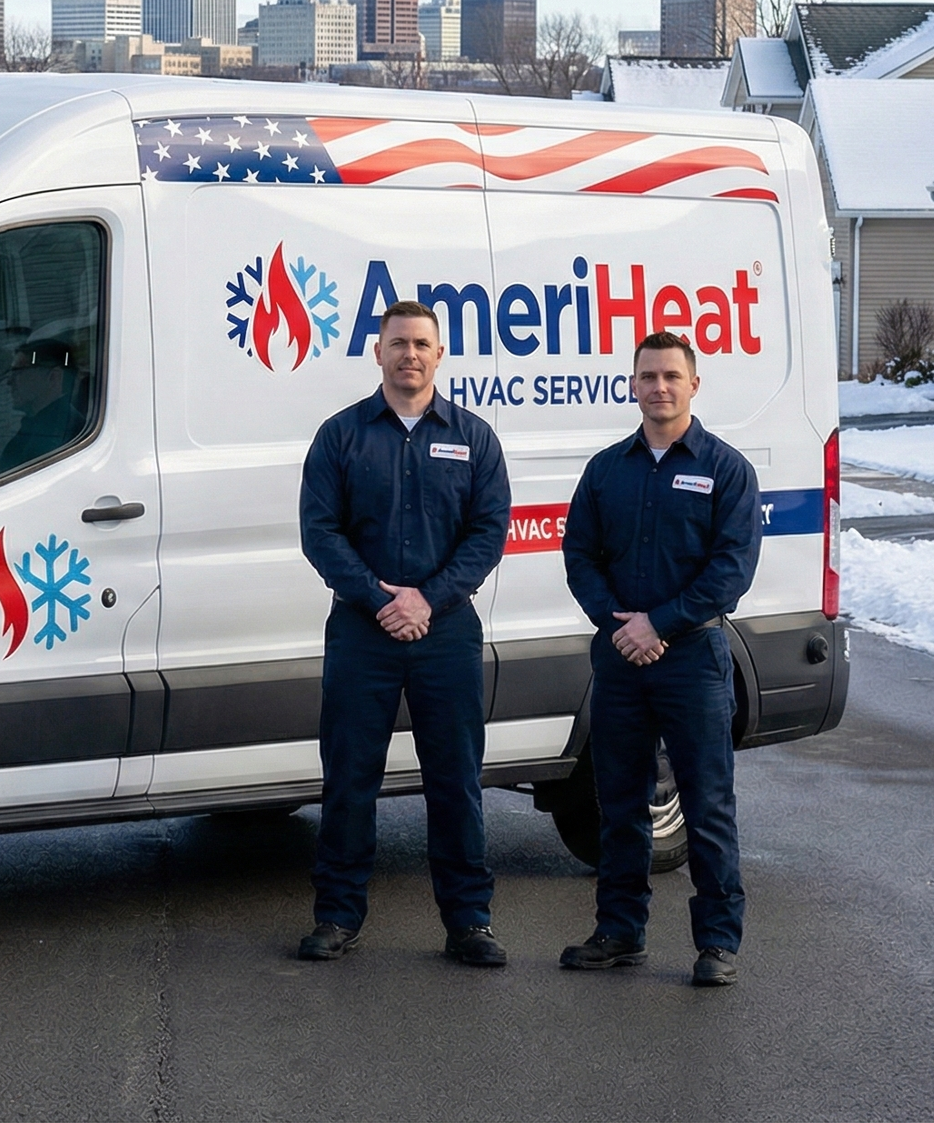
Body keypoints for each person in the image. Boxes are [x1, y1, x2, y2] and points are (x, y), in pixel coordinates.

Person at [296, 301, 512, 966]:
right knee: (349, 777)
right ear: (379, 352)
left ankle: (469, 922)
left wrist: (428, 598)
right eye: (398, 343)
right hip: (362, 630)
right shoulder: (340, 436)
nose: (409, 354)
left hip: (446, 631)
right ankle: (337, 915)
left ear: (439, 354)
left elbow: (488, 532)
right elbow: (319, 532)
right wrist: (378, 597)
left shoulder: (474, 438)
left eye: (421, 343)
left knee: (455, 779)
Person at [557, 330, 763, 988]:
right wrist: (617, 621)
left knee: (707, 803)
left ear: (694, 384)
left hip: (692, 658)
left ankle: (718, 941)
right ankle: (620, 930)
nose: (660, 387)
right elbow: (579, 554)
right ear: (633, 385)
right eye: (648, 376)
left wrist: (659, 623)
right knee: (619, 802)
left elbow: (730, 571)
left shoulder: (727, 470)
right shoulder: (606, 470)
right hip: (620, 657)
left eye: (672, 376)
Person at [0, 337, 89, 475]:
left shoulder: (62, 433)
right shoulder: (36, 427)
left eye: (18, 372)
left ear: (53, 377)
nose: (9, 381)